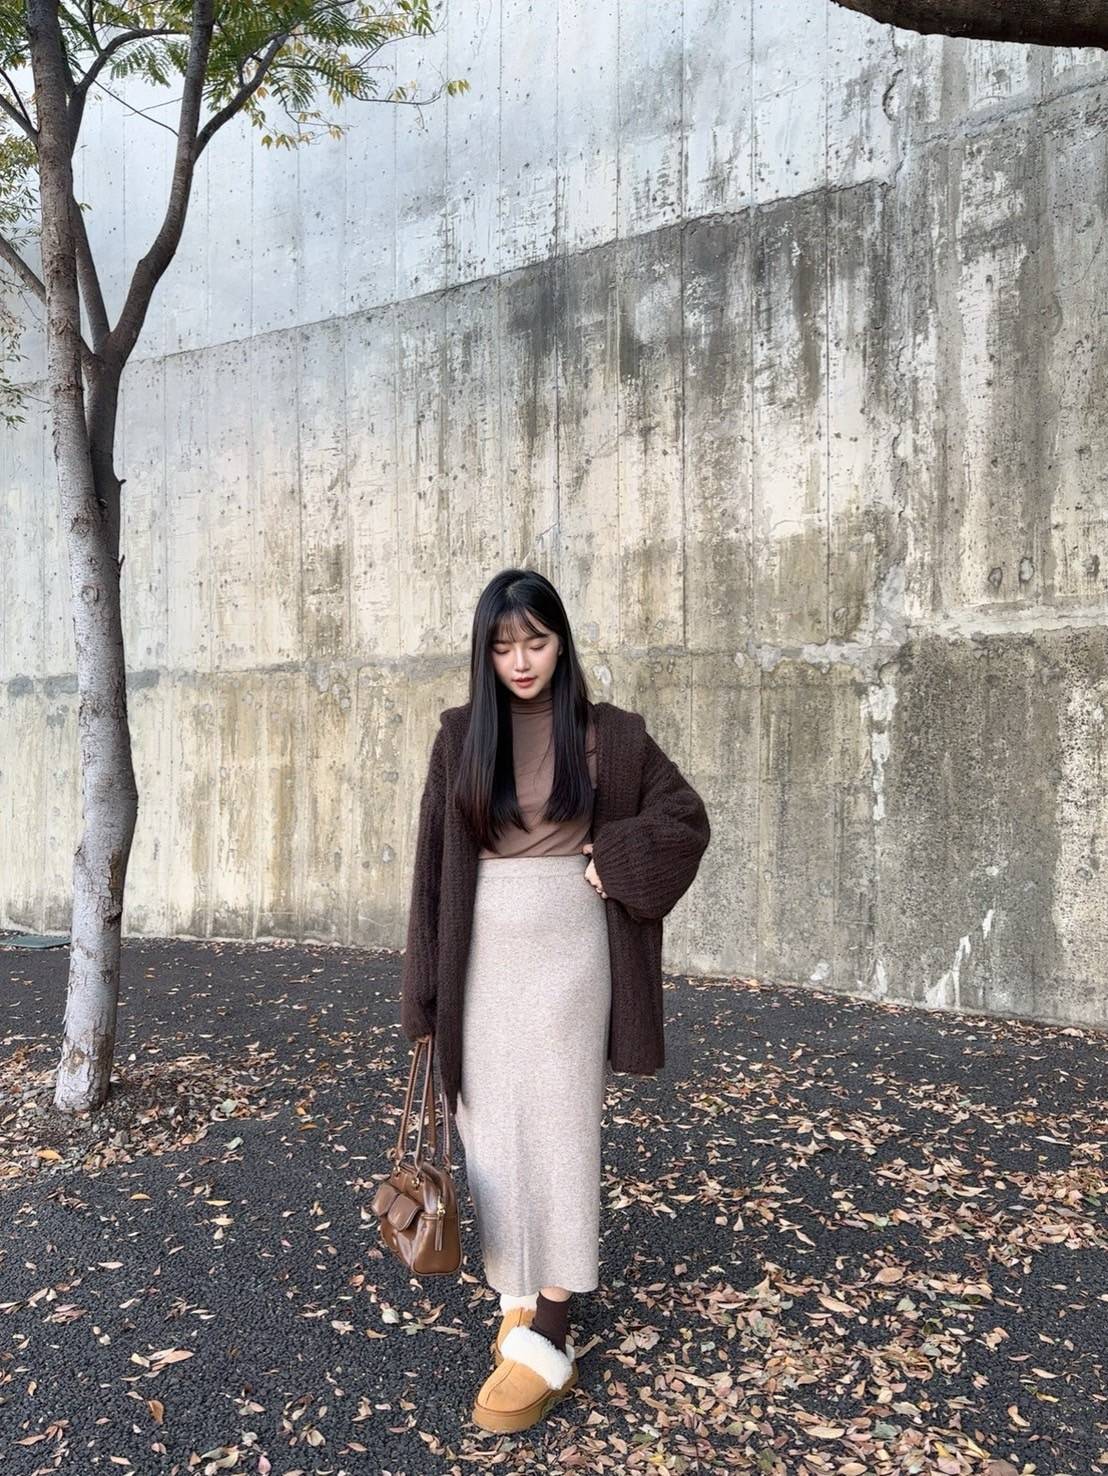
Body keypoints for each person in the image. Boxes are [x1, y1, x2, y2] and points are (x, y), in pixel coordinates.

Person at [399, 567, 711, 1433]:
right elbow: (431, 873)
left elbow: (684, 818)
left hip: (572, 957)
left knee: (563, 1128)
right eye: (503, 646)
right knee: (490, 1128)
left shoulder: (613, 735)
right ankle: (517, 1290)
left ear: (561, 642)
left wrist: (619, 859)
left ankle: (554, 1329)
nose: (521, 660)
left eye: (536, 641)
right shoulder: (460, 737)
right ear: (485, 653)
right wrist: (424, 995)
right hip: (480, 958)